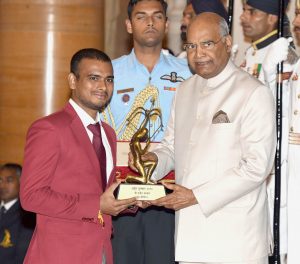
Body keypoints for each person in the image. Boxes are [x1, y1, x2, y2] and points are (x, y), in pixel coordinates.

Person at [130, 13, 276, 264]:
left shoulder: (253, 92)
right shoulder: (185, 90)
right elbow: (171, 148)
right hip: (190, 236)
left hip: (236, 241)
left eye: (207, 44)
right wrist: (150, 162)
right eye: (191, 46)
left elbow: (256, 167)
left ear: (228, 43)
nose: (198, 54)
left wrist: (195, 195)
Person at [20, 48, 138, 264]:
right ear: (73, 81)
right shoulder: (49, 128)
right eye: (94, 78)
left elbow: (104, 193)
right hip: (59, 254)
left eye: (109, 80)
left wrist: (133, 199)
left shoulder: (109, 134)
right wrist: (97, 205)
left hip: (102, 250)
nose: (103, 86)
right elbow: (31, 196)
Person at [100, 0, 191, 263]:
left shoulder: (188, 74)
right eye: (141, 17)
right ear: (129, 25)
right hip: (121, 195)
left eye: (157, 16)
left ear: (167, 23)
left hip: (171, 193)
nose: (150, 23)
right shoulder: (110, 73)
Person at [240, 1, 297, 261]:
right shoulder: (250, 53)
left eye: (252, 11)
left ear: (273, 19)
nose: (243, 17)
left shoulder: (285, 56)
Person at [260, 1, 300, 262]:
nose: (296, 23)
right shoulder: (293, 66)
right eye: (297, 14)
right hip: (287, 177)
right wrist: (270, 80)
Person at [0, 163, 35, 264]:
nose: (2, 185)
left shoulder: (27, 216)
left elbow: (22, 257)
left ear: (22, 182)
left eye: (9, 180)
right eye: (0, 180)